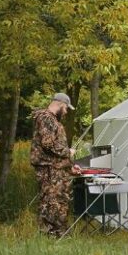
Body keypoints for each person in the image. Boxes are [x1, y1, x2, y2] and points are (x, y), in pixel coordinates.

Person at [30, 93, 80, 237]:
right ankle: (51, 234)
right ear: (60, 104)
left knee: (60, 200)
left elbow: (54, 149)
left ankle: (60, 232)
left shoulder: (52, 120)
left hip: (56, 168)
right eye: (65, 108)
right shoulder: (46, 118)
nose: (65, 112)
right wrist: (68, 151)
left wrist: (70, 166)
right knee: (51, 201)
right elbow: (48, 144)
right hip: (48, 169)